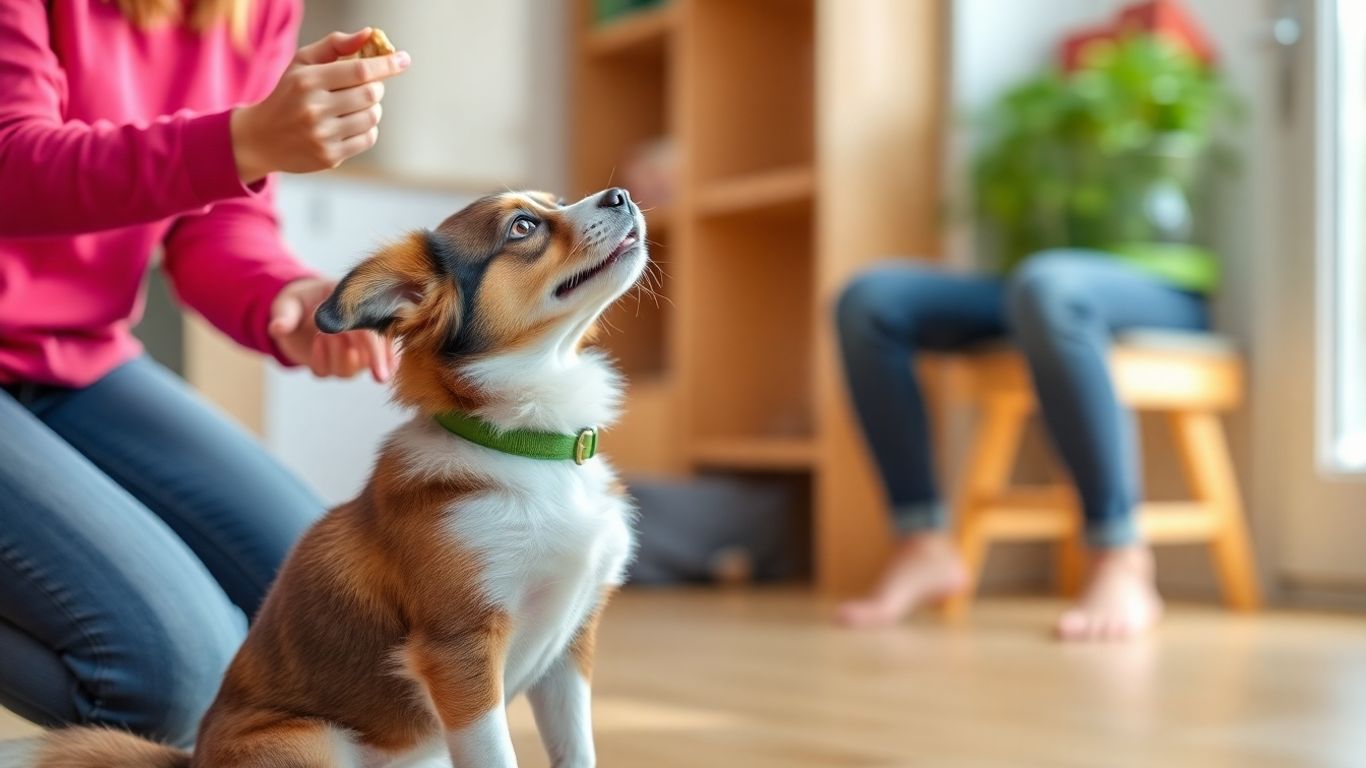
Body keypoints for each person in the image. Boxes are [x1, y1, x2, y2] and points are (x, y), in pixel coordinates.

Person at [0, 0, 407, 746]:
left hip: (74, 358)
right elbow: (10, 160)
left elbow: (219, 221)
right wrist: (245, 138)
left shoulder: (258, 10)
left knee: (351, 626)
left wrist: (288, 294)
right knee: (172, 677)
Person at [834, 249, 1211, 640]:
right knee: (869, 302)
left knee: (1048, 288)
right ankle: (920, 542)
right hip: (1021, 283)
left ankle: (1119, 557)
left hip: (1154, 283)